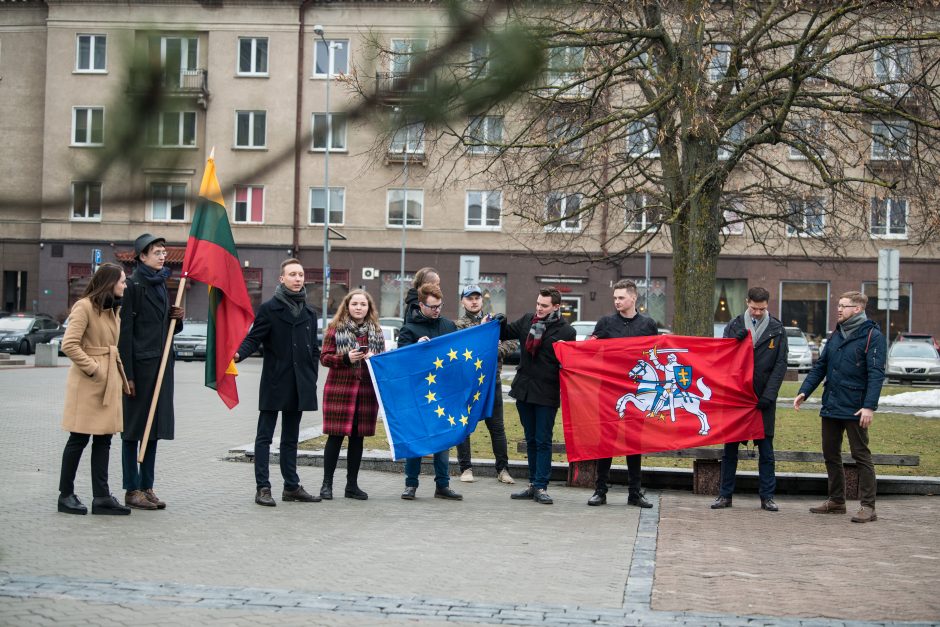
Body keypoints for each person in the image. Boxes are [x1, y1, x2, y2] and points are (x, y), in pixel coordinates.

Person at [235, 258, 322, 507]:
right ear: (281, 279)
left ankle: (291, 487)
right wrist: (239, 354)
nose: (298, 279)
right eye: (292, 274)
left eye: (301, 274)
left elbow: (313, 349)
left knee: (291, 438)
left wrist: (312, 375)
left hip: (300, 383)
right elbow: (254, 338)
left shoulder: (309, 312)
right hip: (276, 380)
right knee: (265, 436)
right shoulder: (269, 308)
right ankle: (263, 487)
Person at [794, 291, 886, 523]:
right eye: (839, 305)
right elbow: (821, 366)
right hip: (832, 404)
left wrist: (869, 407)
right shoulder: (837, 333)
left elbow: (876, 375)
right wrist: (804, 391)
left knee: (861, 455)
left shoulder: (872, 335)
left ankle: (868, 506)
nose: (839, 309)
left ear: (857, 309)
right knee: (830, 454)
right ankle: (836, 501)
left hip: (856, 408)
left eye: (844, 306)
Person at [58, 263, 133, 516]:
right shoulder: (84, 307)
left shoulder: (113, 310)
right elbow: (69, 344)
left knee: (104, 439)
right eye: (122, 281)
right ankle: (65, 495)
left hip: (108, 380)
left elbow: (114, 346)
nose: (125, 285)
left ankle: (101, 497)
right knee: (78, 438)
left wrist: (121, 378)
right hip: (88, 382)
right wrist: (93, 368)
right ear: (109, 282)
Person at [119, 233, 184, 511]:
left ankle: (147, 485)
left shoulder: (161, 284)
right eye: (156, 252)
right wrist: (128, 375)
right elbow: (126, 333)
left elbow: (162, 329)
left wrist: (176, 319)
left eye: (163, 251)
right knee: (133, 431)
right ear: (141, 257)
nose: (162, 256)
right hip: (141, 369)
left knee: (154, 430)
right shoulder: (133, 286)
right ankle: (131, 489)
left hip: (161, 366)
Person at [711, 286, 788, 512]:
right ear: (747, 303)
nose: (757, 313)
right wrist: (734, 343)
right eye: (754, 308)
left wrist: (769, 395)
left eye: (761, 309)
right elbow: (721, 359)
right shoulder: (734, 326)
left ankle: (767, 496)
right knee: (730, 450)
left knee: (766, 451)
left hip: (763, 399)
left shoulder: (777, 329)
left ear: (767, 306)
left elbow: (780, 365)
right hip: (736, 398)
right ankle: (725, 495)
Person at [586, 279, 658, 508]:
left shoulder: (648, 325)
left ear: (633, 298)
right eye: (615, 298)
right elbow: (589, 349)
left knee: (633, 442)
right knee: (606, 441)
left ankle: (634, 493)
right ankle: (600, 491)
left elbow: (655, 355)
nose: (617, 301)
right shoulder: (606, 323)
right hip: (609, 393)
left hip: (637, 392)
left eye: (621, 298)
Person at [500, 287, 576, 505]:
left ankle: (542, 486)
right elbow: (503, 333)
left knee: (543, 440)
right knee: (531, 439)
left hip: (546, 393)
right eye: (538, 304)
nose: (539, 309)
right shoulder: (527, 320)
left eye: (544, 306)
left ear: (556, 307)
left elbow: (571, 364)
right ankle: (533, 484)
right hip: (524, 390)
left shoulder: (566, 332)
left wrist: (566, 353)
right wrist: (500, 319)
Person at [398, 283, 463, 501]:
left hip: (443, 392)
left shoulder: (448, 325)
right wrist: (416, 347)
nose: (437, 310)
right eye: (432, 306)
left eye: (439, 306)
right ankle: (411, 485)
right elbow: (400, 361)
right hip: (417, 393)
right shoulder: (409, 329)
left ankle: (442, 485)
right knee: (416, 438)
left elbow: (457, 355)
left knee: (442, 440)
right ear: (420, 304)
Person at [318, 289, 385, 501]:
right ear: (347, 306)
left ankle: (351, 486)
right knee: (335, 437)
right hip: (340, 389)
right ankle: (326, 484)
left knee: (358, 439)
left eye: (362, 304)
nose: (358, 308)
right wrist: (346, 358)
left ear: (369, 308)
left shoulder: (376, 331)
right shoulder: (334, 329)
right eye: (354, 304)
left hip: (365, 391)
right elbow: (325, 358)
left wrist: (376, 358)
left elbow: (384, 362)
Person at [454, 284, 516, 485]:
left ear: (482, 300)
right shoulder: (458, 325)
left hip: (492, 382)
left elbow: (512, 342)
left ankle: (503, 469)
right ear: (463, 301)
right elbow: (461, 350)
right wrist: (487, 345)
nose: (474, 301)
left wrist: (498, 349)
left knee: (497, 427)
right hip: (467, 383)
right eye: (469, 298)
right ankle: (466, 468)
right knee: (464, 426)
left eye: (477, 298)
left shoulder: (494, 322)